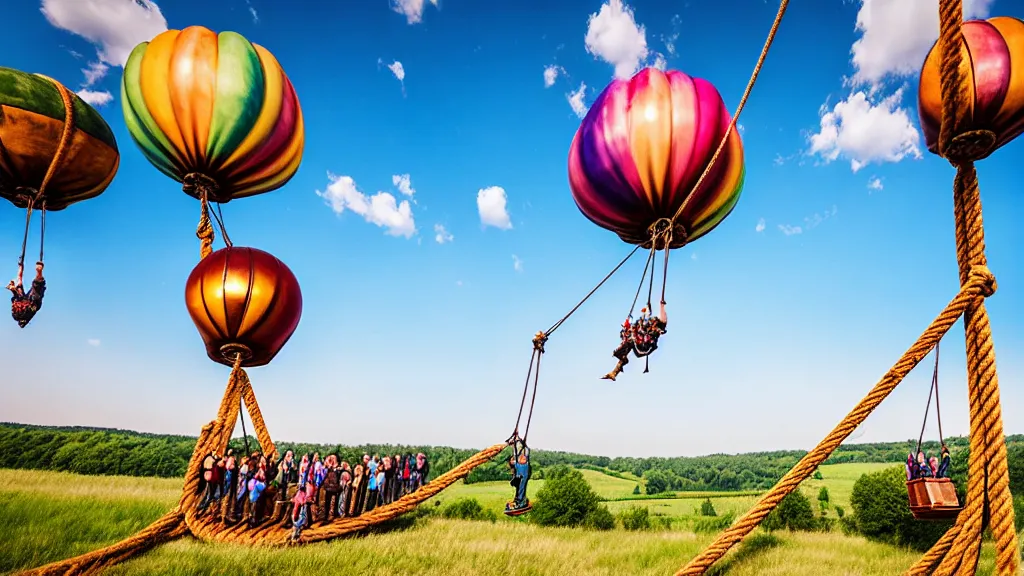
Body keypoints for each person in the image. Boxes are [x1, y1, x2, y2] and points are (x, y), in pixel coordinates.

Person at [602, 301, 668, 381]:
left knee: (632, 338)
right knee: (630, 338)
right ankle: (615, 371)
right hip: (639, 346)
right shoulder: (642, 326)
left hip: (645, 348)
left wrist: (662, 306)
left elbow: (662, 320)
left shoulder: (657, 326)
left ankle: (618, 367)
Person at [8, 261, 46, 328]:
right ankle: (38, 273)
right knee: (21, 284)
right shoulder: (16, 315)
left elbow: (16, 299)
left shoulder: (18, 315)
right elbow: (15, 299)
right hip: (29, 303)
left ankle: (38, 273)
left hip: (28, 303)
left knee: (33, 287)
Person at [505, 443, 532, 515]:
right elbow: (515, 457)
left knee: (521, 488)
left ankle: (520, 501)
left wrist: (523, 444)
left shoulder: (524, 462)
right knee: (520, 488)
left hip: (523, 477)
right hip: (519, 478)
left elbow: (526, 452)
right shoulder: (516, 462)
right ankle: (519, 501)